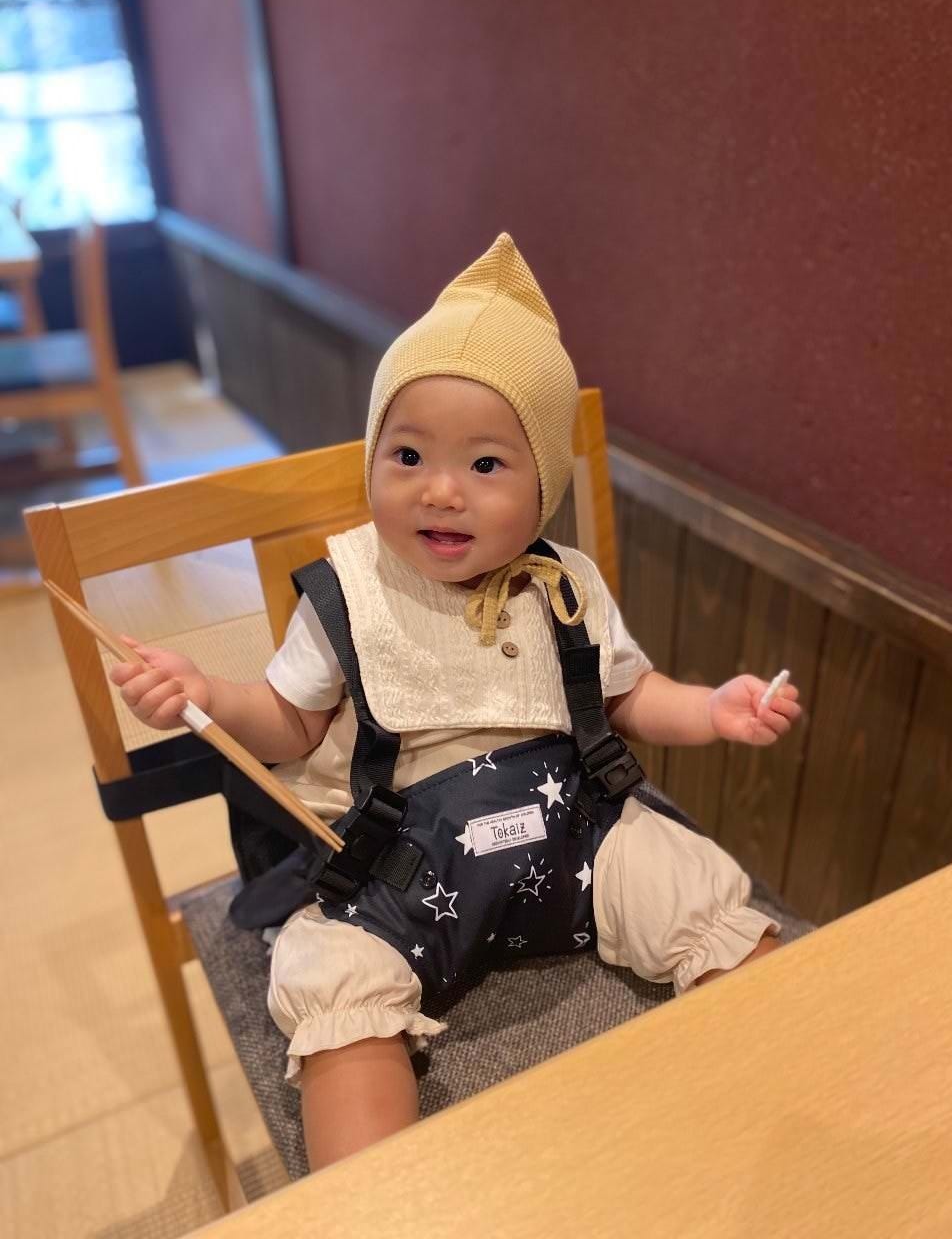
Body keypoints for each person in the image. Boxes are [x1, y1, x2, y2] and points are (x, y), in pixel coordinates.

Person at [110, 234, 800, 1170]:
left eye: (485, 466)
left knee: (688, 888)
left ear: (542, 488)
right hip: (401, 865)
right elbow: (289, 723)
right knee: (341, 981)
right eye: (407, 454)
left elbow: (631, 698)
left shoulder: (565, 585)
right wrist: (207, 697)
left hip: (575, 831)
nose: (440, 491)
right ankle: (372, 1201)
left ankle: (791, 1112)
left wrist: (711, 709)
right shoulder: (351, 591)